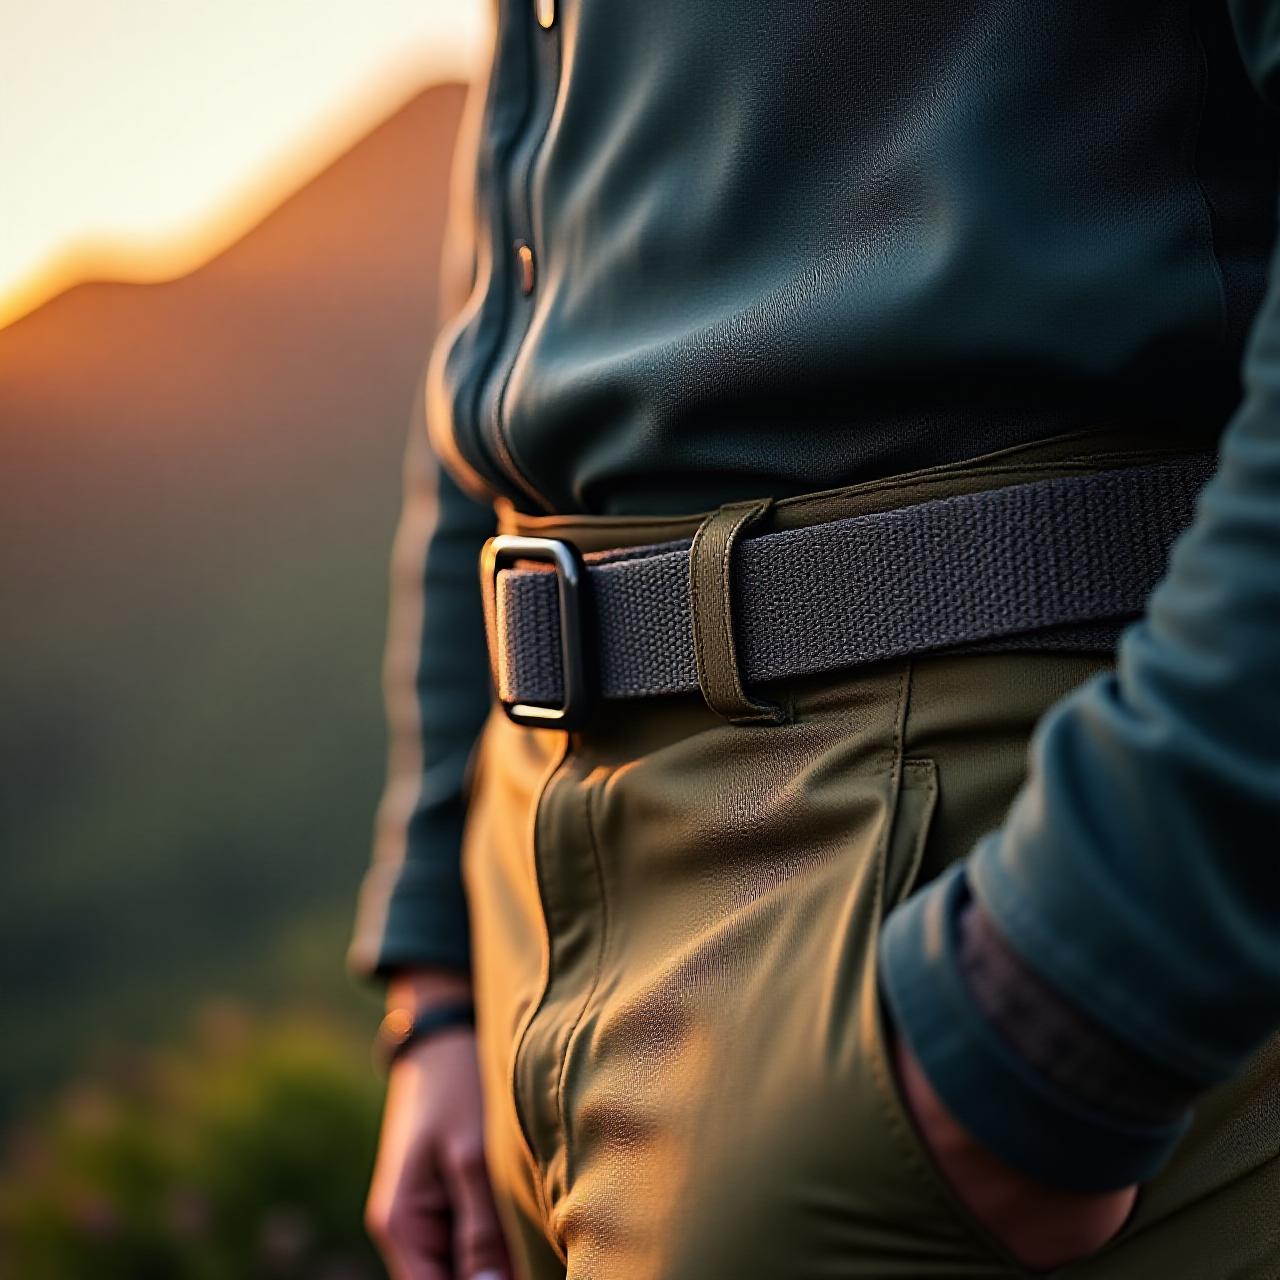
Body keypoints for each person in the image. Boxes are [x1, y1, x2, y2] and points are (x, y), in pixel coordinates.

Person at [352, 3, 1280, 1277]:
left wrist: (1074, 1001)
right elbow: (502, 322)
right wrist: (438, 977)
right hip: (524, 902)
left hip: (960, 832)